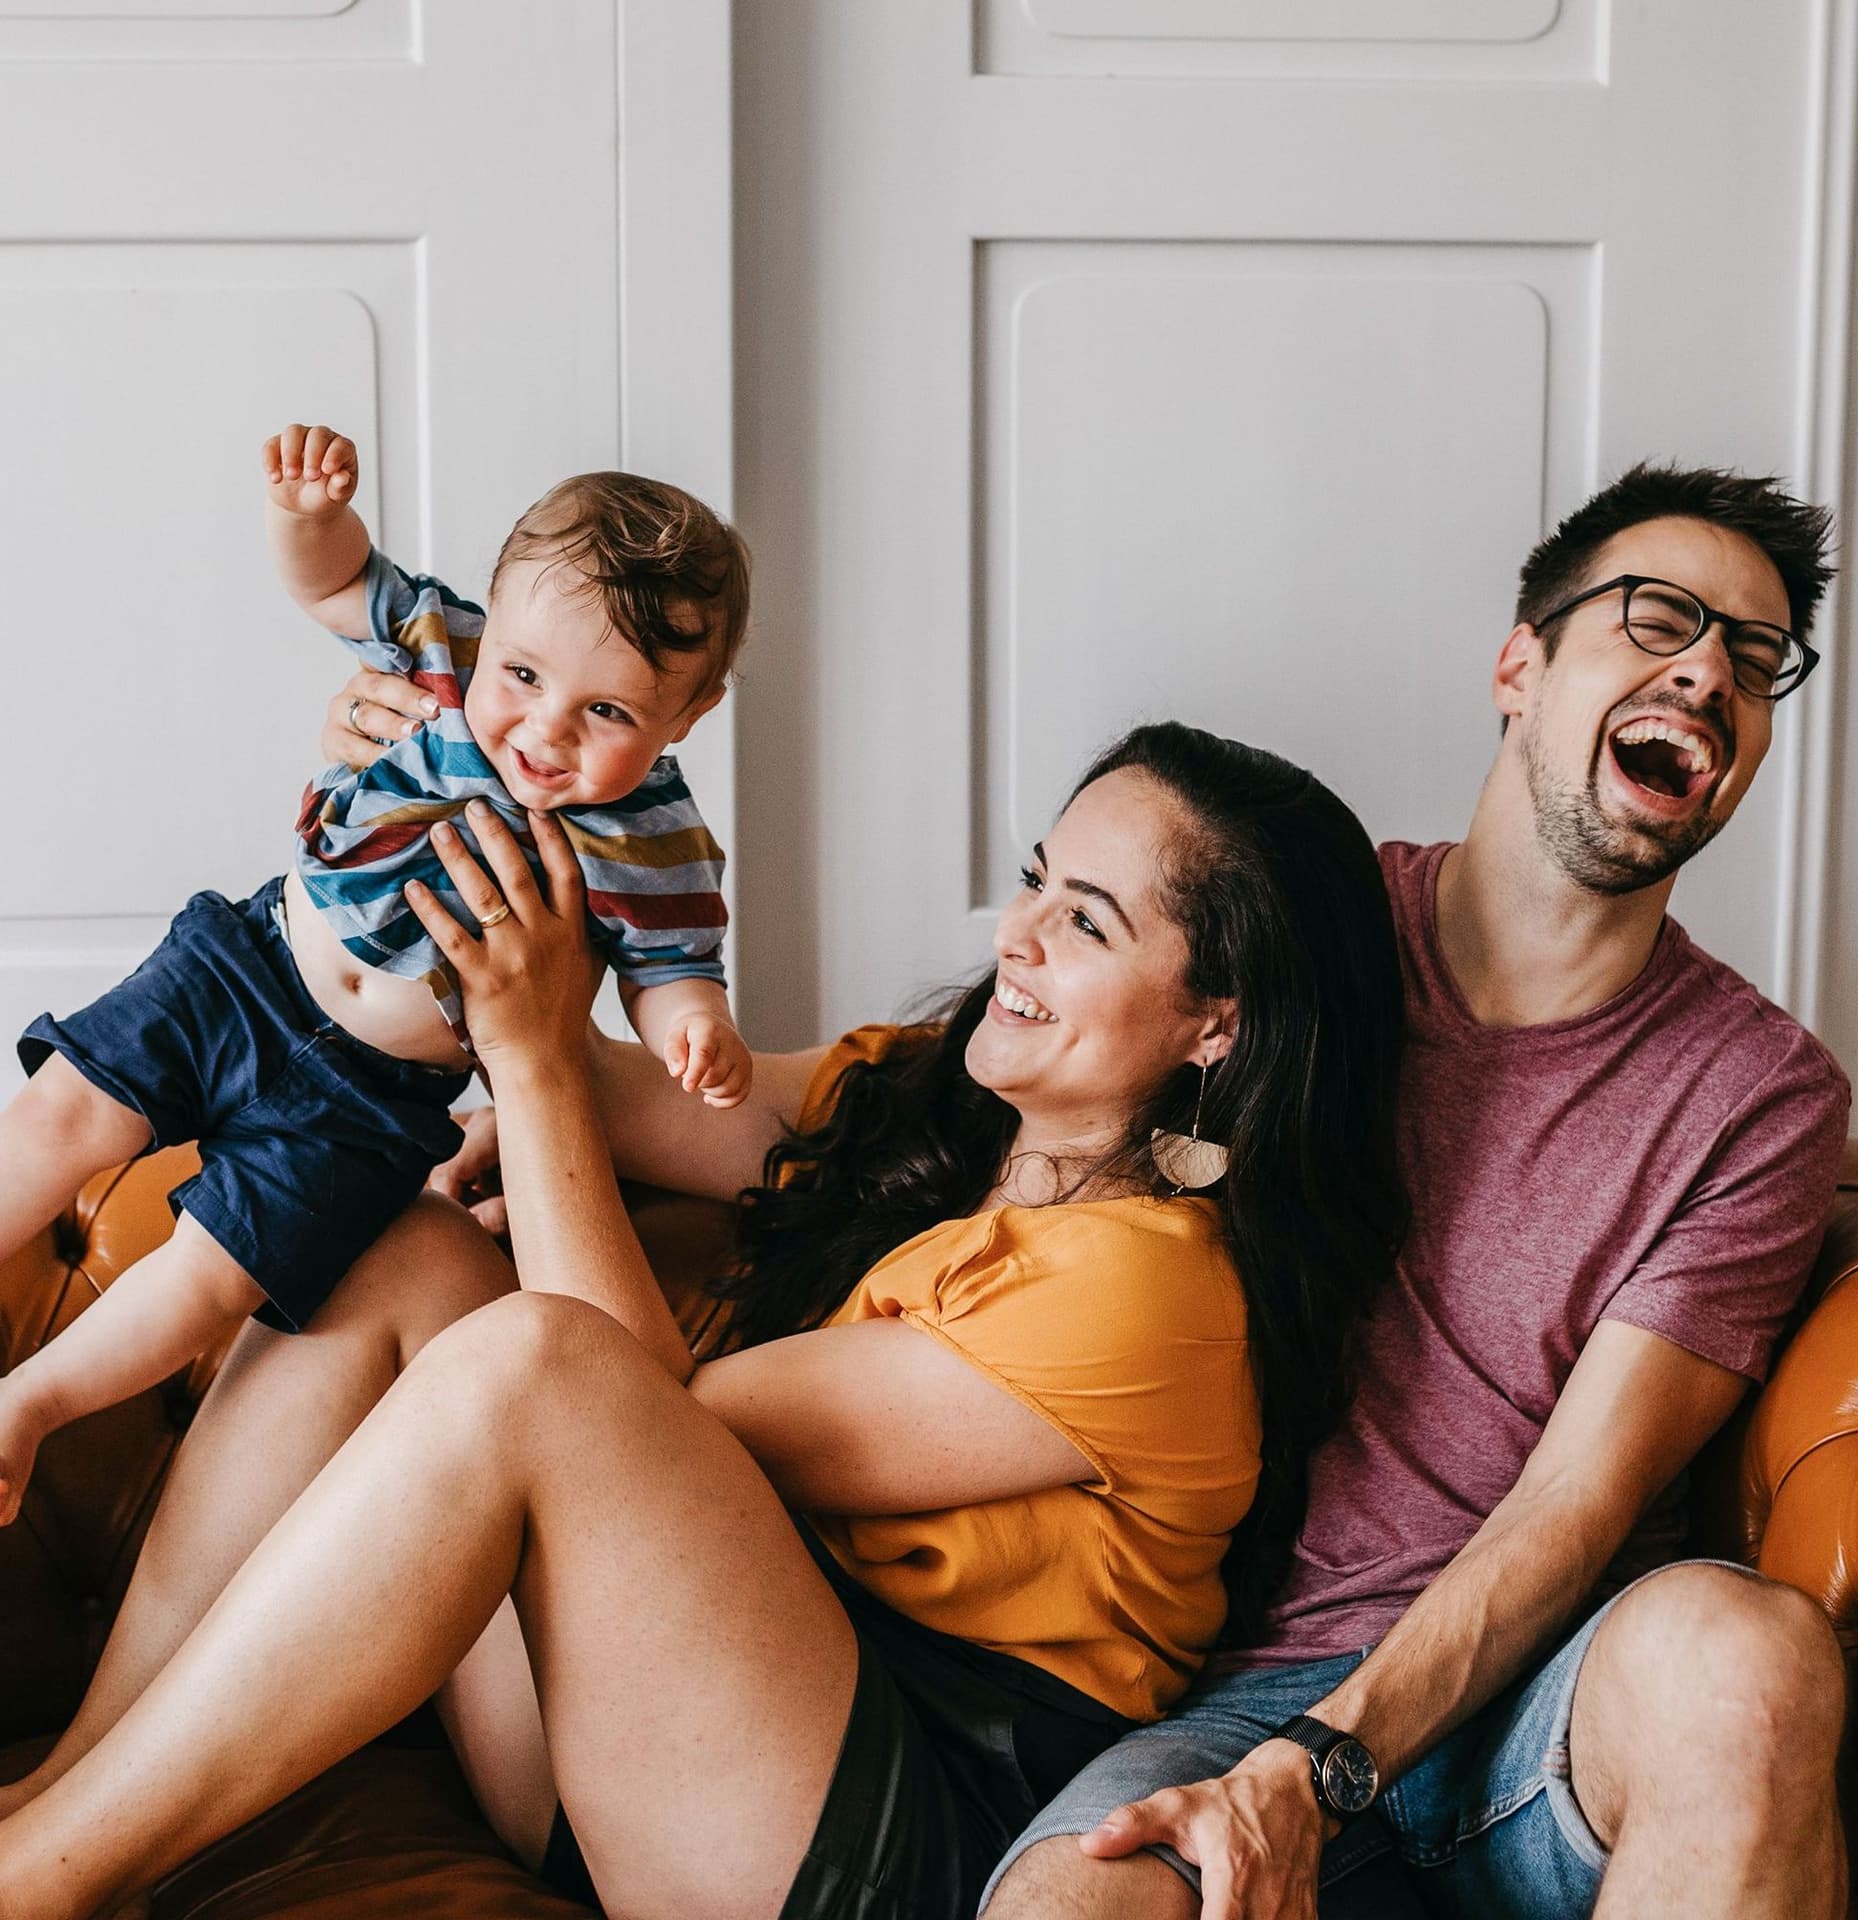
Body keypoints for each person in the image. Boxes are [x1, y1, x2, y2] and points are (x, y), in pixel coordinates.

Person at [0, 721, 1409, 1920]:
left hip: (875, 1833)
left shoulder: (1157, 1291)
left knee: (545, 1365)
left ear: (1219, 1023)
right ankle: (78, 1789)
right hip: (643, 1736)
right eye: (1037, 878)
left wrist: (533, 1069)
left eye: (1086, 923)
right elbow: (599, 1068)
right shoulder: (939, 1099)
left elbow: (636, 1414)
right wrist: (440, 795)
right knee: (409, 1248)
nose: (1014, 936)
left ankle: (39, 1880)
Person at [981, 465, 1855, 1920]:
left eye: (1756, 660)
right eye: (1659, 620)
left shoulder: (1760, 1096)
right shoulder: (1308, 932)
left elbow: (1576, 1499)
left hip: (1547, 1714)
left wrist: (1328, 1763)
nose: (1710, 674)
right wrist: (607, 1048)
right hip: (1235, 1695)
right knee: (1072, 1906)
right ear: (1520, 667)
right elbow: (962, 1064)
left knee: (1743, 1656)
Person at [0, 422, 748, 1529]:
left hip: (372, 1100)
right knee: (64, 1113)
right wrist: (307, 517)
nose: (544, 730)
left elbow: (670, 962)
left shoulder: (658, 838)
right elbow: (336, 583)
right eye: (524, 674)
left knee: (215, 1271)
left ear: (689, 714)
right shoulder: (445, 651)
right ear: (492, 628)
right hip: (248, 968)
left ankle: (27, 1405)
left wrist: (694, 1023)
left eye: (608, 711)